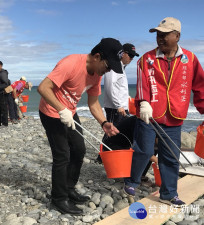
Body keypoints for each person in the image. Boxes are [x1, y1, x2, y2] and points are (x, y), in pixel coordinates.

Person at [123, 17, 204, 207]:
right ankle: (131, 181)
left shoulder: (190, 59)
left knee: (170, 156)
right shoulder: (146, 59)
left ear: (177, 36)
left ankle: (169, 194)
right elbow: (142, 84)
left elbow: (200, 87)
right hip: (149, 114)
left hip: (175, 116)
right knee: (144, 149)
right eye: (158, 34)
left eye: (165, 34)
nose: (160, 38)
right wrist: (143, 103)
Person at [38, 38, 122, 215]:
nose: (107, 71)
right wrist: (61, 110)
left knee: (79, 150)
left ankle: (68, 188)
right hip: (51, 112)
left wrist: (104, 123)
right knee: (62, 155)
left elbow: (93, 104)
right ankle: (58, 199)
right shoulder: (70, 64)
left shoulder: (97, 74)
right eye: (107, 66)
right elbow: (43, 88)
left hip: (69, 111)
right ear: (97, 57)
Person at [103, 43, 139, 125]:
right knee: (112, 132)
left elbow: (120, 88)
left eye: (133, 56)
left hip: (123, 108)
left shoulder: (122, 67)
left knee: (122, 134)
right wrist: (118, 105)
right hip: (115, 109)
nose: (132, 58)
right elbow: (109, 87)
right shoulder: (113, 67)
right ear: (123, 53)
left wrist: (127, 99)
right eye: (130, 55)